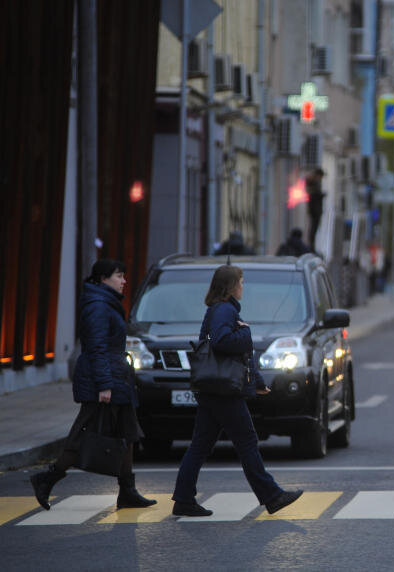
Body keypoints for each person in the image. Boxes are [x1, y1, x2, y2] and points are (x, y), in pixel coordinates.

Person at [171, 265, 303, 517]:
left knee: (200, 444)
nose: (244, 286)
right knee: (247, 442)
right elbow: (222, 342)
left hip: (214, 388)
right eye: (241, 282)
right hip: (223, 391)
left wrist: (257, 381)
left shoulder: (222, 309)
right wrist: (245, 332)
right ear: (231, 286)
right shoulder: (224, 310)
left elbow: (242, 358)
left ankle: (184, 498)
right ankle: (272, 496)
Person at [30, 260, 157, 511]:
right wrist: (104, 385)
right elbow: (97, 348)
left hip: (117, 378)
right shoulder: (98, 306)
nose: (124, 281)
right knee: (85, 435)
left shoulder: (106, 303)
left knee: (128, 434)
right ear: (102, 279)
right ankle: (48, 478)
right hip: (105, 381)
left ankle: (127, 490)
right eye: (119, 276)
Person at [306, 168, 325, 249]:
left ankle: (312, 246)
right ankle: (311, 246)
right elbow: (313, 195)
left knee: (315, 228)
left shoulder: (314, 183)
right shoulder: (312, 183)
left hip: (316, 210)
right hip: (314, 210)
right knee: (313, 229)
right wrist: (320, 195)